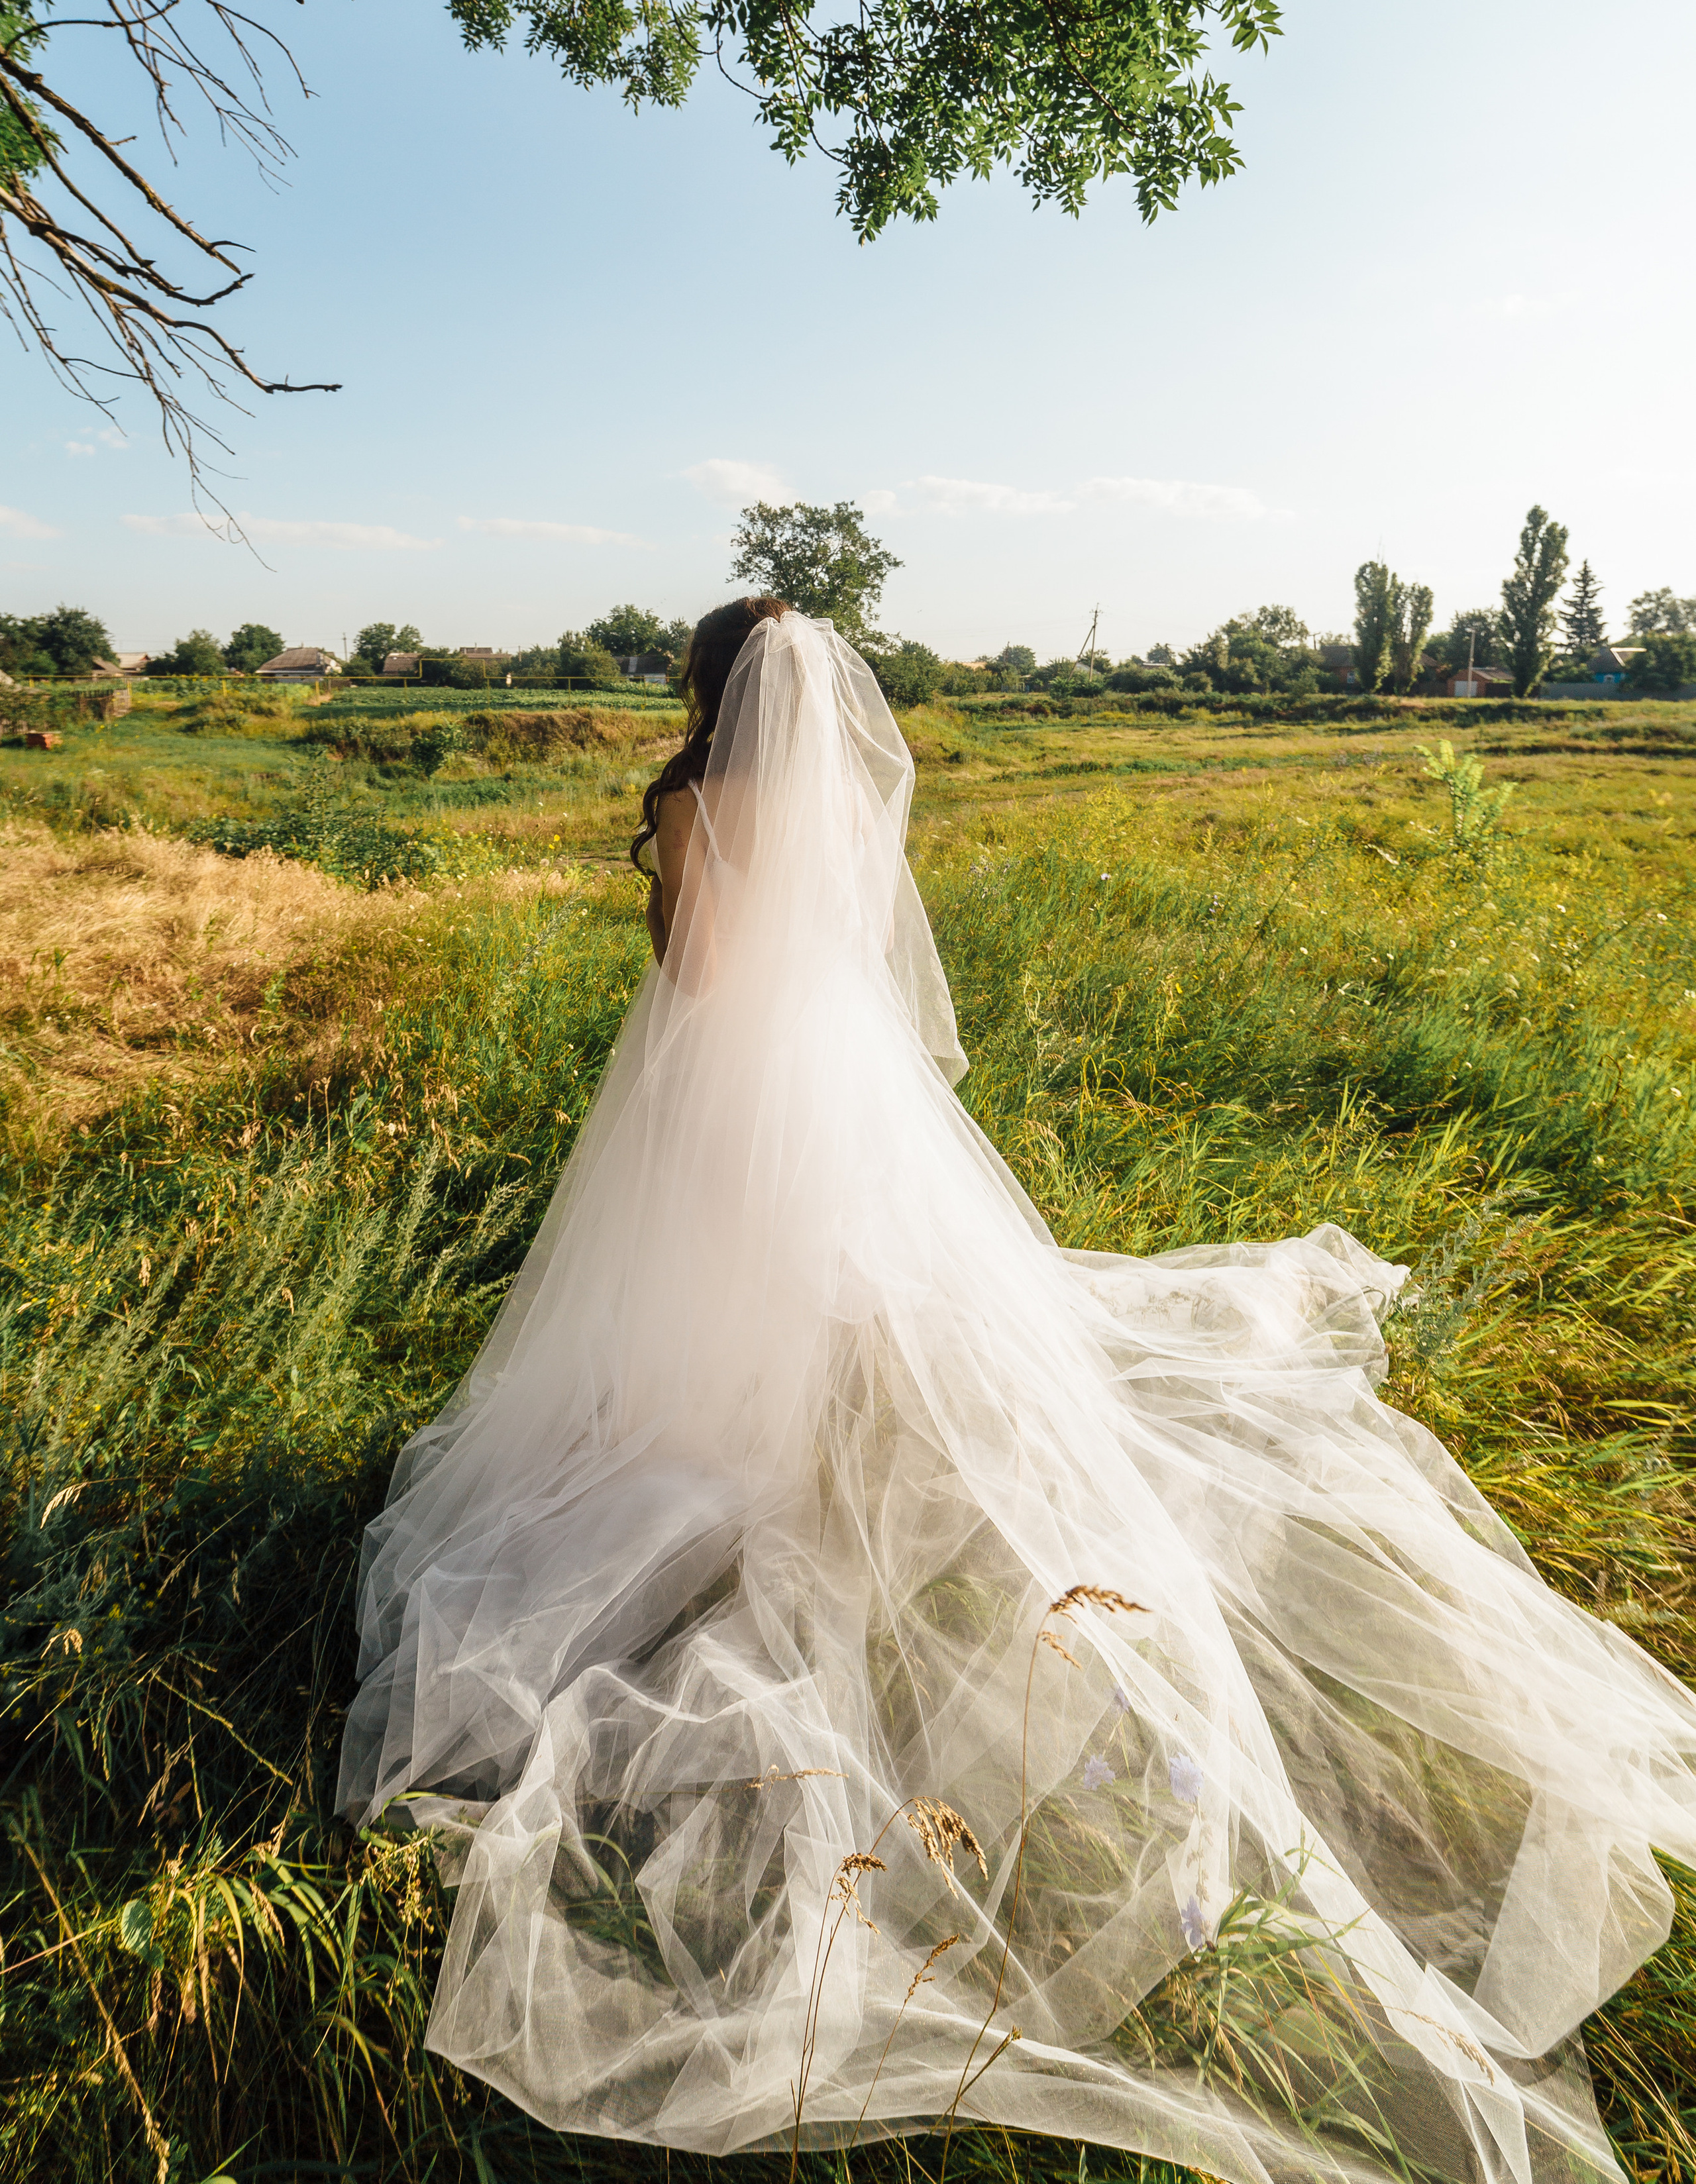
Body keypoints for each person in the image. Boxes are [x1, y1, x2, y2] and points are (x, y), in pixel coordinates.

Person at [339, 603, 1695, 2183]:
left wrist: (667, 872)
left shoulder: (690, 804)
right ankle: (808, 1431)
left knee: (697, 1301)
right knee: (850, 1293)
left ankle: (729, 1437)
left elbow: (697, 972)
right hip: (843, 1088)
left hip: (723, 1084)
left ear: (707, 689)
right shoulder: (838, 799)